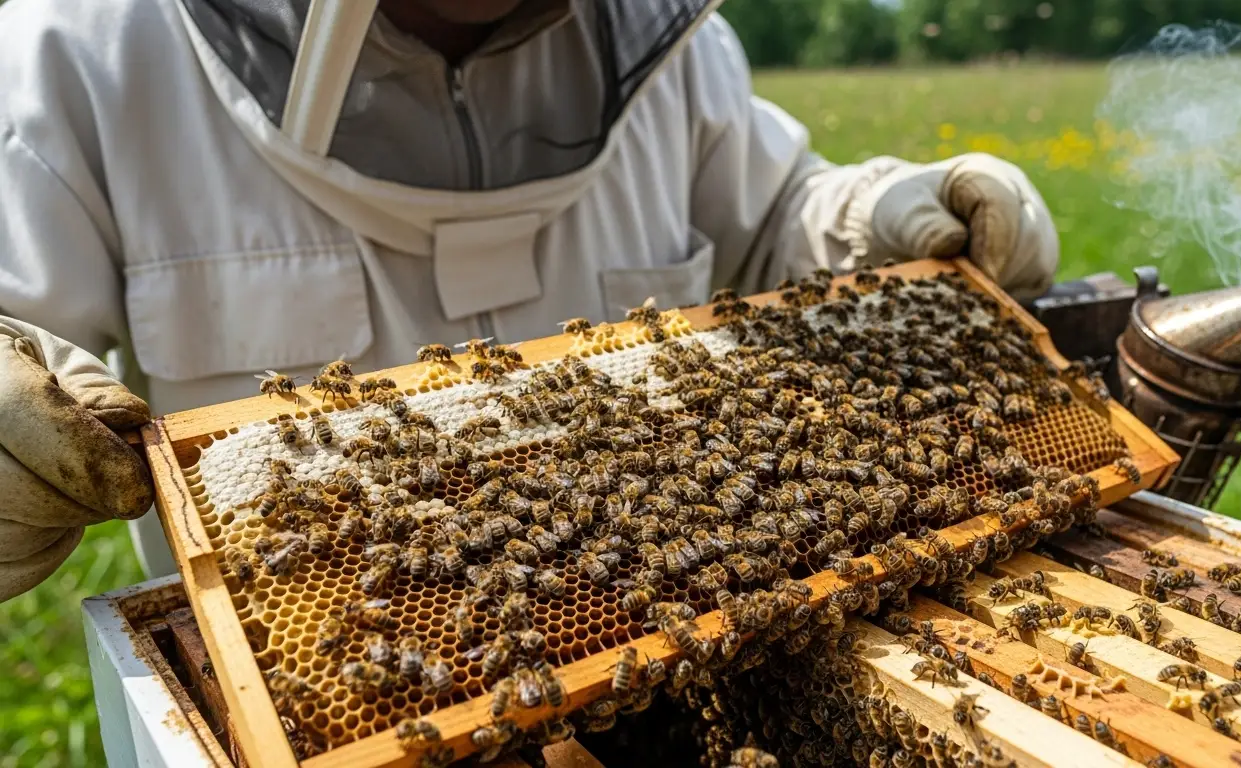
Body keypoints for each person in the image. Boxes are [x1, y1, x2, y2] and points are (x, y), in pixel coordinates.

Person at [0, 0, 1060, 601]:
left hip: (681, 623)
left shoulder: (676, 54)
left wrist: (869, 220)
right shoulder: (76, 59)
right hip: (344, 662)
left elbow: (771, 216)